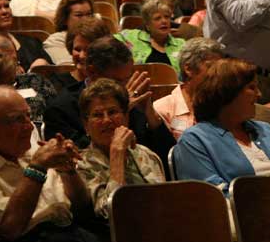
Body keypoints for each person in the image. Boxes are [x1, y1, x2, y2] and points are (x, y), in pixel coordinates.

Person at [0, 86, 100, 242]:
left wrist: (68, 171)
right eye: (17, 119)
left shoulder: (31, 151)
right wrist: (36, 168)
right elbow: (10, 228)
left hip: (71, 232)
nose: (30, 126)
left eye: (28, 116)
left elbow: (81, 206)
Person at [43, 37, 176, 170]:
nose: (125, 87)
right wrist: (122, 111)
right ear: (92, 72)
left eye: (127, 78)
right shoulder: (60, 109)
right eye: (117, 81)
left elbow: (169, 162)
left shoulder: (132, 99)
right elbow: (78, 159)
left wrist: (152, 117)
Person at [173, 58, 270, 195]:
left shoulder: (266, 130)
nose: (259, 94)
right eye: (252, 88)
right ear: (227, 92)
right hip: (240, 208)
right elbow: (213, 195)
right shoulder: (195, 140)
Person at [76, 78, 165, 219]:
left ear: (126, 117)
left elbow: (165, 204)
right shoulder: (81, 164)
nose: (106, 120)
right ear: (86, 125)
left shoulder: (146, 154)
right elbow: (108, 214)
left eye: (112, 112)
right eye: (98, 115)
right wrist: (117, 154)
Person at [154, 37, 224, 140]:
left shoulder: (224, 104)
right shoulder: (162, 108)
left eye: (219, 68)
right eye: (210, 67)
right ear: (189, 69)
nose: (217, 73)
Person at [116, 0, 185, 69]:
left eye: (167, 17)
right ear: (147, 25)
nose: (164, 21)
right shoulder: (131, 37)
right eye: (157, 18)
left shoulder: (181, 44)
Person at [50, 18, 112, 91]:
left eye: (87, 50)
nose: (81, 56)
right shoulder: (58, 82)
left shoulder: (113, 81)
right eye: (77, 49)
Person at [43, 0, 96, 65]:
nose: (86, 19)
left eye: (89, 14)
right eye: (79, 15)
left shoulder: (100, 36)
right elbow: (68, 66)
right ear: (65, 19)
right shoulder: (55, 40)